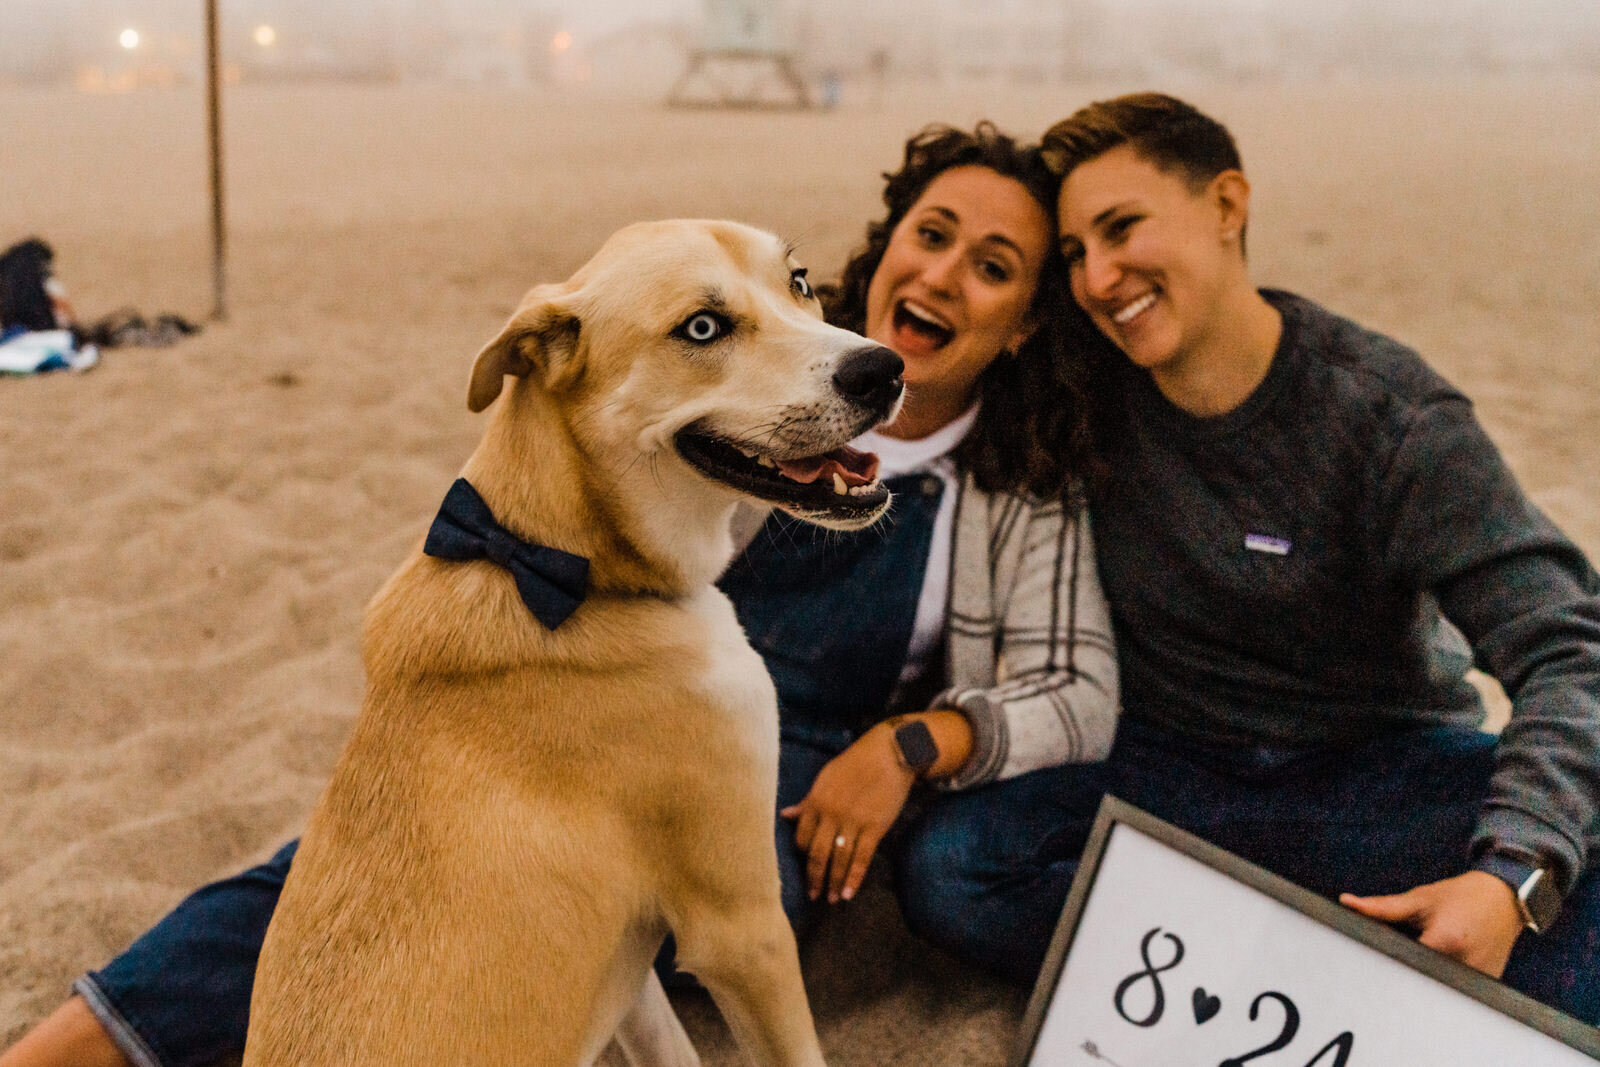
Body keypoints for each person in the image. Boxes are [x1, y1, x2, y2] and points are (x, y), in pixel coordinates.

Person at [0, 123, 1119, 1067]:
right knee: (357, 857)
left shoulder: (1018, 478)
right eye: (931, 234)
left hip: (784, 766)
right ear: (884, 244)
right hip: (614, 683)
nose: (939, 275)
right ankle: (91, 1034)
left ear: (1022, 316)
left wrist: (922, 741)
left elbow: (1077, 683)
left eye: (992, 265)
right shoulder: (743, 363)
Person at [1007, 91, 1597, 1022]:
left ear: (1228, 205)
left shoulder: (1388, 419)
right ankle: (1311, 962)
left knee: (1575, 890)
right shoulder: (1082, 391)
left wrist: (1511, 874)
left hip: (1372, 772)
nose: (1100, 277)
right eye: (1076, 253)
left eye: (1122, 228)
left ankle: (1289, 949)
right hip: (1166, 773)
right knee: (957, 869)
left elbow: (1569, 648)